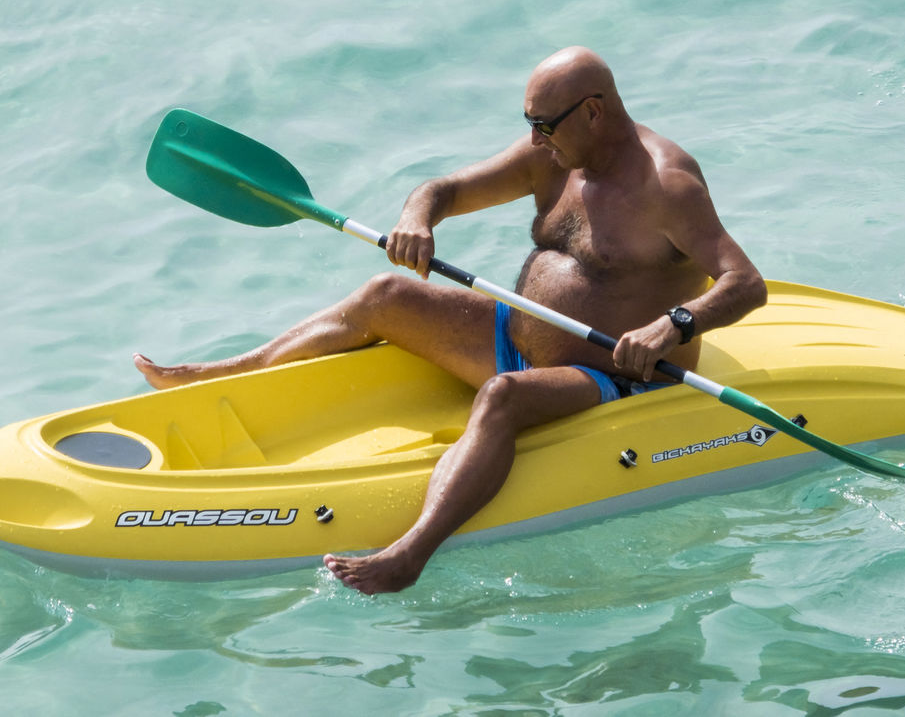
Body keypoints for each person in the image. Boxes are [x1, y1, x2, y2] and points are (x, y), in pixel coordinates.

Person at [134, 46, 767, 594]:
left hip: (615, 372)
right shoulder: (553, 156)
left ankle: (410, 555)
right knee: (386, 293)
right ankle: (225, 372)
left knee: (502, 397)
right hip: (518, 333)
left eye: (544, 125)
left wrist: (673, 325)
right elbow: (443, 189)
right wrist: (417, 219)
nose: (536, 140)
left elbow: (745, 283)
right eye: (529, 124)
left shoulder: (667, 186)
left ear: (594, 112)